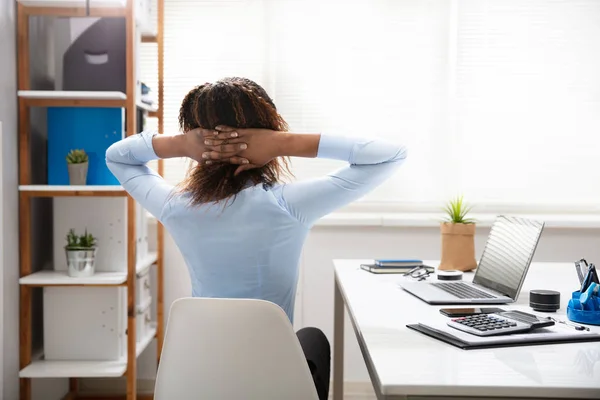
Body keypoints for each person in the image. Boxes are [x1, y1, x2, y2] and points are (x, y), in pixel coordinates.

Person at [106, 77, 407, 399]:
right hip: (274, 381)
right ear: (267, 128)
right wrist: (282, 143)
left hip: (198, 377)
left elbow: (118, 155)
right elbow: (389, 154)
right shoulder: (288, 205)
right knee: (313, 338)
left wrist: (180, 144)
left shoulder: (174, 207)